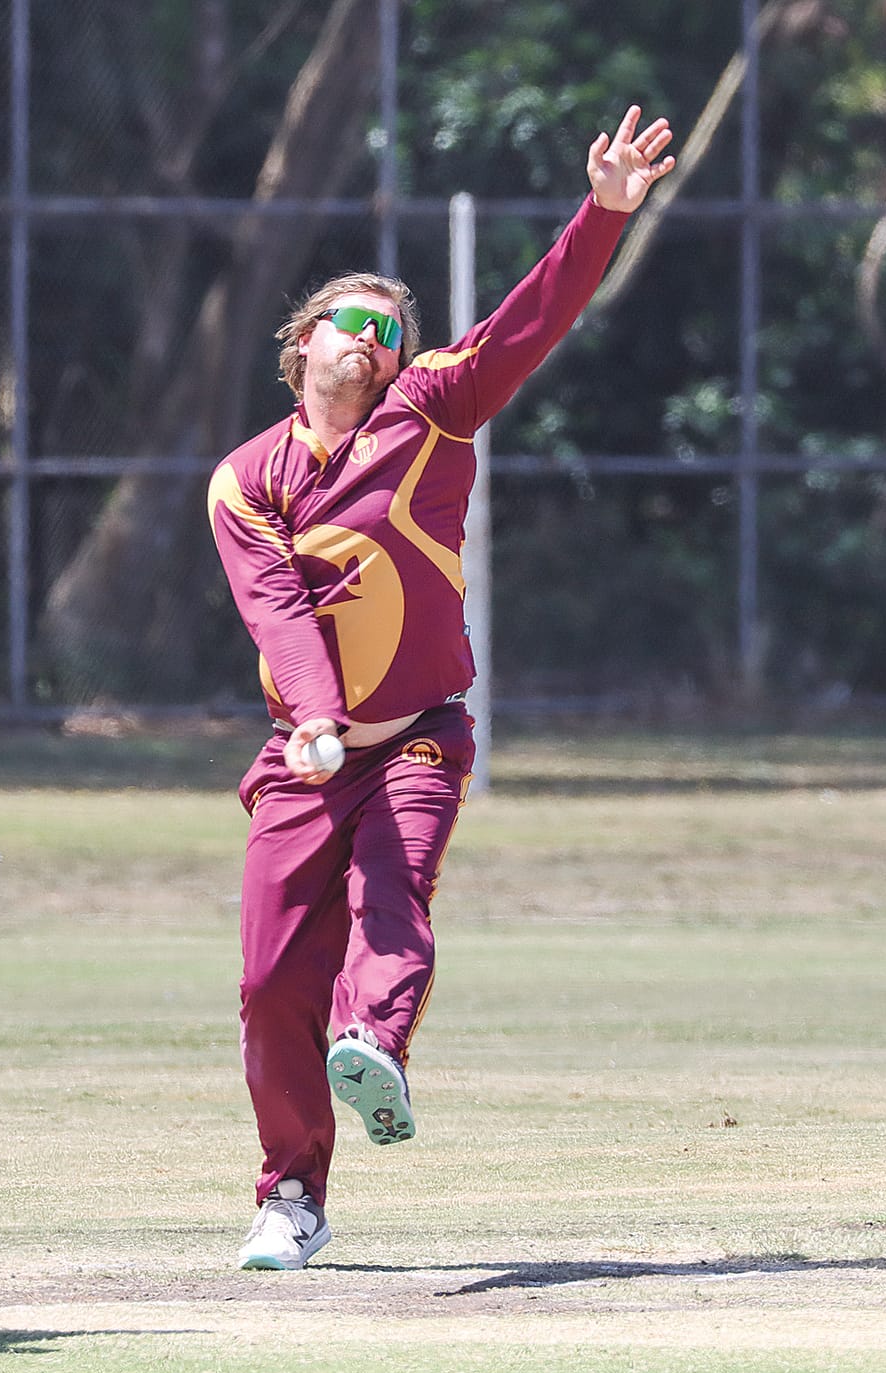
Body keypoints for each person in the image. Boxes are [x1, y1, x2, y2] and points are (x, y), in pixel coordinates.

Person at [208, 107, 676, 1269]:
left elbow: (526, 325)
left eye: (392, 332)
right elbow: (275, 606)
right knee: (267, 983)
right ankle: (291, 1194)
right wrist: (316, 715)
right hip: (305, 755)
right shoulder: (244, 479)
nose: (377, 344)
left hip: (418, 734)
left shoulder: (427, 408)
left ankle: (373, 1044)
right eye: (357, 324)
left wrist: (601, 214)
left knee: (393, 890)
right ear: (302, 342)